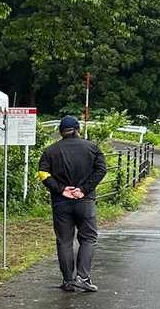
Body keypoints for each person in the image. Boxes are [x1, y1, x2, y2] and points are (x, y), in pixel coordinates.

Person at [37, 114, 108, 292]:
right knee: (88, 238)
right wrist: (84, 189)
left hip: (61, 202)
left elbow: (43, 173)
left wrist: (61, 189)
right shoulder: (92, 147)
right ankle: (83, 277)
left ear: (61, 132)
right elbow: (101, 169)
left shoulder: (51, 151)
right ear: (78, 130)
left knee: (64, 241)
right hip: (85, 201)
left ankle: (68, 281)